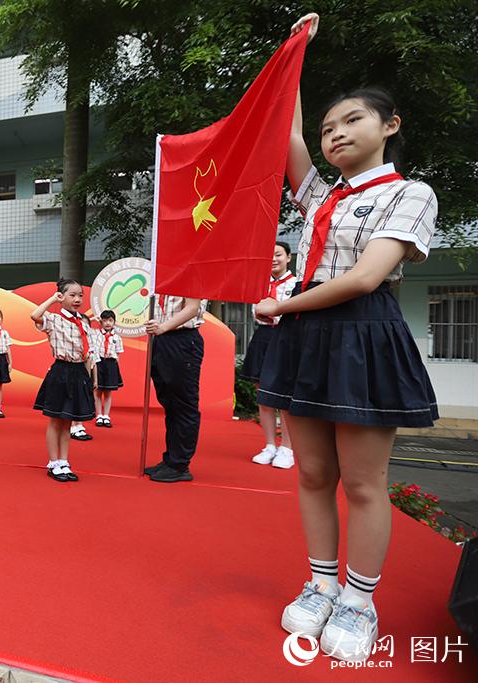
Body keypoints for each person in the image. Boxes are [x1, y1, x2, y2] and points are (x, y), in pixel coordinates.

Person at [254, 13, 439, 664]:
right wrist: (293, 56)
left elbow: (364, 277)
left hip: (361, 333)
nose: (334, 133)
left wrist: (281, 303)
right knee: (311, 472)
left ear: (389, 126)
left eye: (351, 120)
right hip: (306, 335)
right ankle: (322, 584)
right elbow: (289, 134)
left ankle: (359, 600)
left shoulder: (409, 194)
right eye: (329, 127)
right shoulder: (318, 197)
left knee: (363, 483)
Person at [31, 279, 98, 483]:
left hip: (79, 373)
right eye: (72, 295)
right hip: (61, 372)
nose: (77, 299)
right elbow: (35, 315)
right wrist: (52, 299)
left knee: (68, 421)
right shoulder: (54, 319)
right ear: (62, 297)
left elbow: (88, 355)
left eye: (80, 295)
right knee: (55, 419)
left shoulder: (84, 324)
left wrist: (90, 378)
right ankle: (53, 463)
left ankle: (64, 461)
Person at [242, 242, 297, 468]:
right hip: (263, 336)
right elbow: (256, 311)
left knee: (284, 396)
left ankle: (287, 448)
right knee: (263, 395)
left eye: (278, 254)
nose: (274, 259)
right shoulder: (260, 284)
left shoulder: (297, 284)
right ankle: (270, 445)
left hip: (286, 338)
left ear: (288, 257)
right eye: (270, 256)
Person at [143, 296, 208, 483]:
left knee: (184, 404)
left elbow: (192, 308)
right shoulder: (163, 280)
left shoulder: (191, 277)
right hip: (162, 339)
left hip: (182, 339)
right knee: (170, 404)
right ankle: (171, 459)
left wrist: (163, 327)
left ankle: (180, 464)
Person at [93, 310, 124, 428]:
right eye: (105, 320)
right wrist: (94, 319)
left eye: (110, 320)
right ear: (101, 321)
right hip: (99, 363)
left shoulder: (117, 337)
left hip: (111, 364)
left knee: (108, 392)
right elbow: (85, 327)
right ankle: (99, 415)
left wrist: (116, 370)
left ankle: (106, 415)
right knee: (98, 391)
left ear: (114, 322)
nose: (107, 323)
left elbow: (118, 354)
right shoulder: (96, 334)